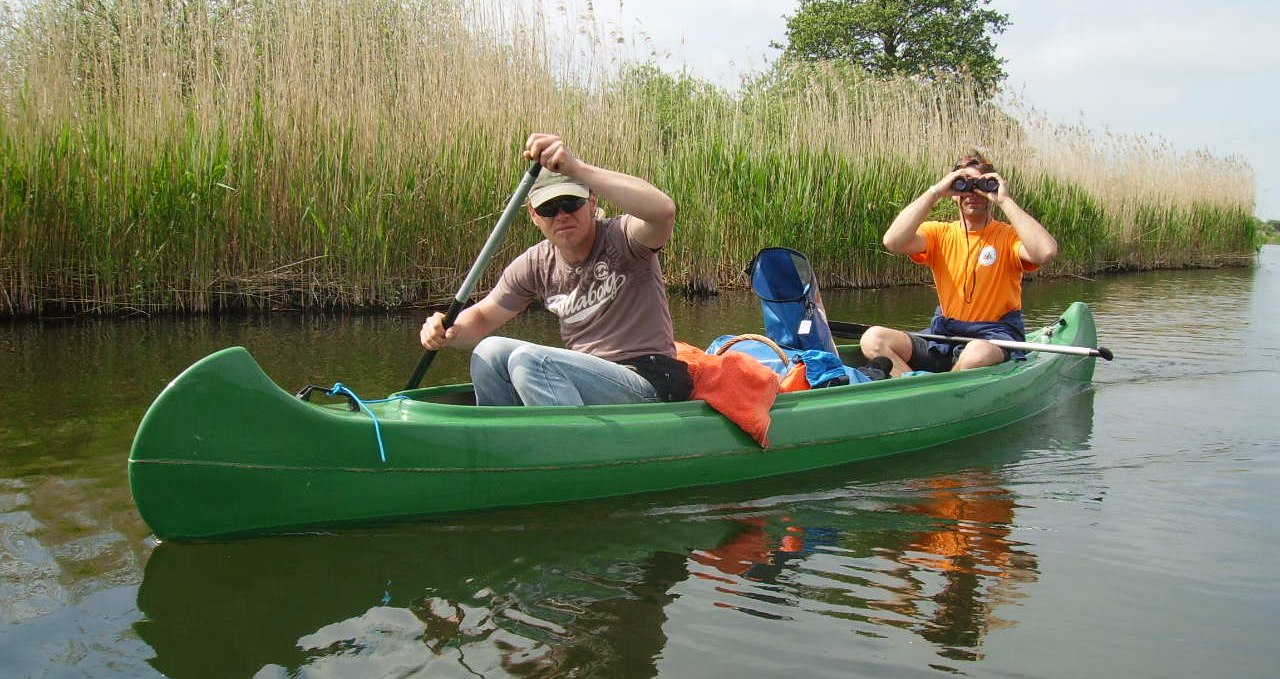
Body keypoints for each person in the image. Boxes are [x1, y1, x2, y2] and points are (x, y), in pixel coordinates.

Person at [418, 133, 689, 406]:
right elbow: (481, 320)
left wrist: (576, 169)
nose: (561, 215)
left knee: (531, 361)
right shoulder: (536, 264)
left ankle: (563, 443)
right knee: (489, 351)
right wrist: (446, 330)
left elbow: (663, 211)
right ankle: (501, 439)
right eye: (549, 208)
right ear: (534, 216)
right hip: (586, 376)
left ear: (591, 202)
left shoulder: (624, 238)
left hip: (648, 378)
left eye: (570, 203)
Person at [860, 150, 1058, 376]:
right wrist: (935, 191)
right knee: (873, 339)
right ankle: (918, 389)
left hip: (994, 336)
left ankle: (940, 395)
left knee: (975, 353)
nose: (973, 193)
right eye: (965, 185)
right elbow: (893, 242)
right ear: (954, 192)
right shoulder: (939, 233)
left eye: (981, 186)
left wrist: (1004, 200)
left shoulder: (1008, 236)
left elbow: (1046, 252)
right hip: (945, 334)